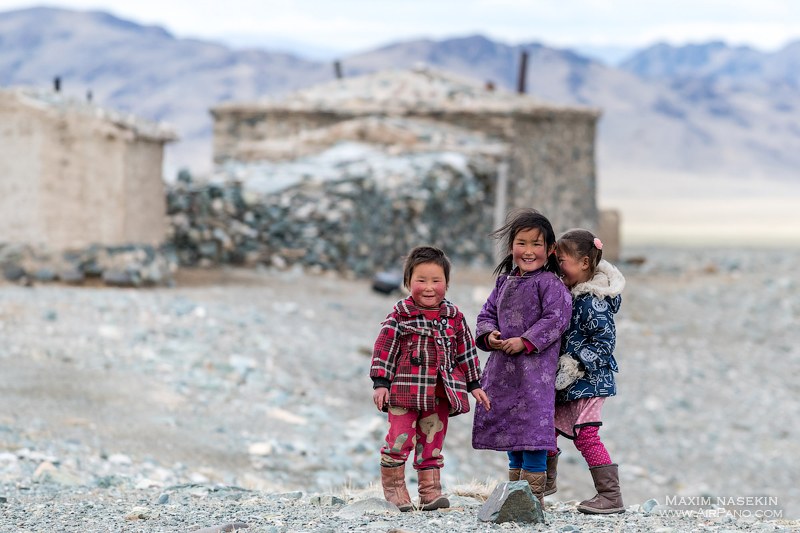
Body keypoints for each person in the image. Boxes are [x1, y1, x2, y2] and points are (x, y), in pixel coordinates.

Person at [370, 246, 491, 512]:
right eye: (421, 281)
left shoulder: (454, 318)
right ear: (407, 283)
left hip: (439, 395)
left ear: (447, 284)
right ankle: (395, 491)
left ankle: (430, 493)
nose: (428, 287)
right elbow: (384, 350)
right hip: (404, 393)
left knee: (432, 444)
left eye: (436, 281)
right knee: (399, 441)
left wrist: (474, 385)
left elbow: (466, 351)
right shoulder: (400, 315)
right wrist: (381, 384)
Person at [471, 209, 572, 507]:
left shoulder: (550, 284)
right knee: (511, 429)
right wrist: (489, 335)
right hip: (503, 371)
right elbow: (486, 314)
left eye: (536, 244)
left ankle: (532, 499)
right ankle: (514, 494)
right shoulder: (503, 282)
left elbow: (557, 319)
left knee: (534, 433)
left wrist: (526, 341)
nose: (528, 251)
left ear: (550, 249)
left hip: (535, 374)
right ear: (512, 246)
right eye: (521, 243)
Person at [548, 228, 626, 514]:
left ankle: (610, 496)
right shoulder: (572, 295)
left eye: (562, 262)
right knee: (549, 426)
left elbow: (605, 344)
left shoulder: (592, 301)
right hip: (574, 383)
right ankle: (542, 482)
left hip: (592, 380)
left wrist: (577, 362)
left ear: (584, 263)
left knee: (586, 434)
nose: (558, 268)